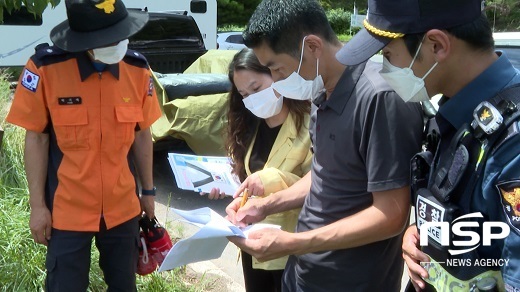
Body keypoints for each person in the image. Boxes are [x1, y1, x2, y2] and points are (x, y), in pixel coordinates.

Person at [225, 0, 424, 291]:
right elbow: (324, 173)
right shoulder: (322, 92)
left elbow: (392, 215)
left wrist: (293, 242)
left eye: (278, 69)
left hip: (351, 280)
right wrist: (265, 206)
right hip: (304, 274)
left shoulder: (380, 98)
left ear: (312, 47)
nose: (278, 82)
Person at [338, 0, 520, 291]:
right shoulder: (458, 110)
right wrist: (423, 233)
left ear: (436, 45)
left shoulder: (513, 139)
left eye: (387, 55)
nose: (385, 70)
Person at [6, 0, 161, 290]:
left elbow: (142, 133)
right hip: (66, 211)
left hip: (123, 209)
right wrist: (37, 207)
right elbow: (36, 138)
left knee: (123, 286)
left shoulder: (137, 69)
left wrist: (149, 191)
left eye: (120, 34)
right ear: (86, 41)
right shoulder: (45, 69)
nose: (118, 43)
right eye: (109, 38)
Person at [205, 48, 312, 292]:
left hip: (292, 248)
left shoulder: (310, 123)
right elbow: (241, 177)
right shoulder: (247, 127)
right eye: (244, 94)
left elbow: (320, 183)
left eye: (256, 88)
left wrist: (270, 181)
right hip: (252, 245)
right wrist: (225, 186)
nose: (252, 99)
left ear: (276, 75)